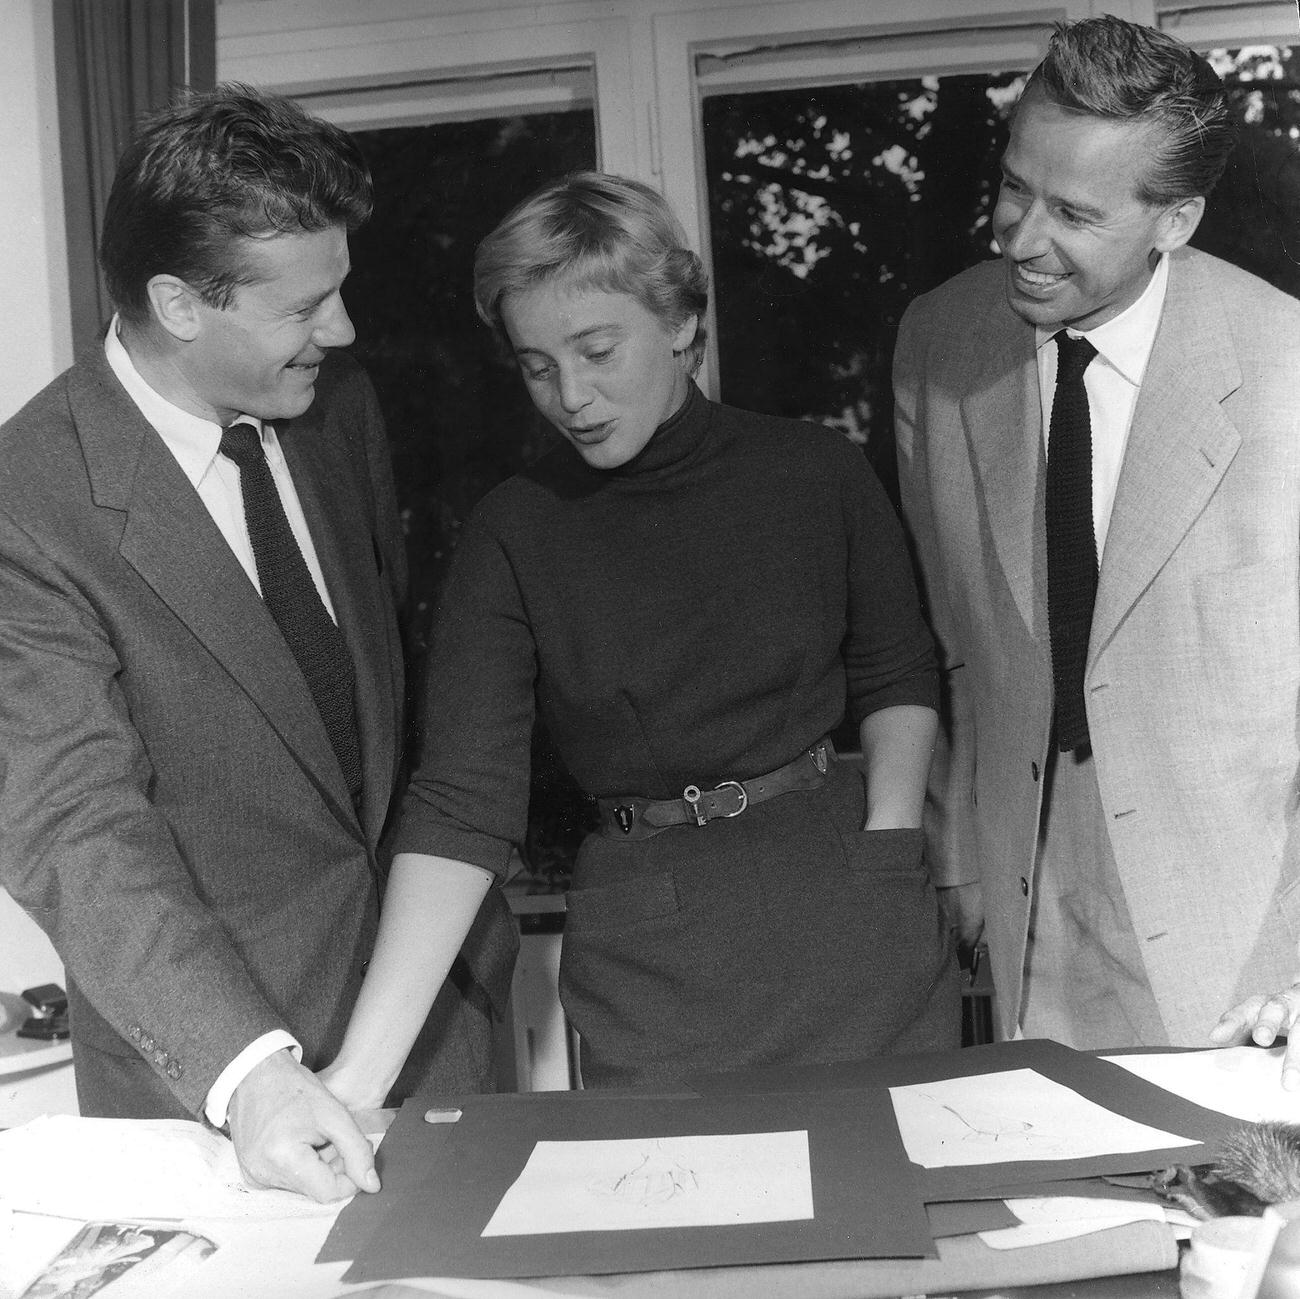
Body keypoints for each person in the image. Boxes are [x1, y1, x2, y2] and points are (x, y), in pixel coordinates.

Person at [317, 170, 959, 1099]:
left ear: (681, 321)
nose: (570, 394)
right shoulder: (515, 530)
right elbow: (462, 799)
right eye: (538, 365)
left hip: (853, 917)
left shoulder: (817, 472)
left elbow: (897, 668)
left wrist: (891, 843)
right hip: (647, 954)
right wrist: (356, 1080)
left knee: (903, 1221)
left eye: (597, 349)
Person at [0, 84, 506, 1202]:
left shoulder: (339, 413)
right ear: (180, 304)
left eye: (340, 292)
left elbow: (389, 725)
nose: (343, 330)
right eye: (303, 308)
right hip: (239, 1109)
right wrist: (258, 1076)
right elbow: (74, 829)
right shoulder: (25, 501)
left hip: (446, 1030)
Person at [893, 16, 1300, 1071]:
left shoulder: (1285, 371)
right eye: (1014, 185)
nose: (1020, 238)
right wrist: (960, 868)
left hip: (1248, 944)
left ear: (1175, 221)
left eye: (1073, 212)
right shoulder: (936, 345)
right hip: (1025, 906)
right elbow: (952, 638)